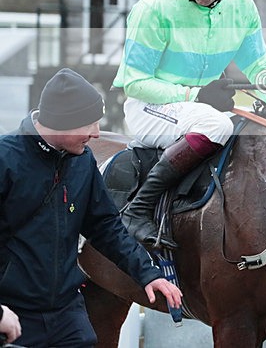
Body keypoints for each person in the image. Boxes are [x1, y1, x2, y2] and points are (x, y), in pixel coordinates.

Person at [113, 0, 266, 249]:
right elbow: (134, 83)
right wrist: (195, 96)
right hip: (150, 106)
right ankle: (138, 209)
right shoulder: (156, 6)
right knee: (217, 124)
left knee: (265, 117)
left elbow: (259, 64)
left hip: (203, 103)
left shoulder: (243, 6)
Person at [0, 68, 182, 347]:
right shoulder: (6, 160)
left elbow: (106, 226)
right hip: (12, 315)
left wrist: (148, 273)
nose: (97, 133)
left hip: (67, 314)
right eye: (90, 124)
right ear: (63, 122)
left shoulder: (82, 161)